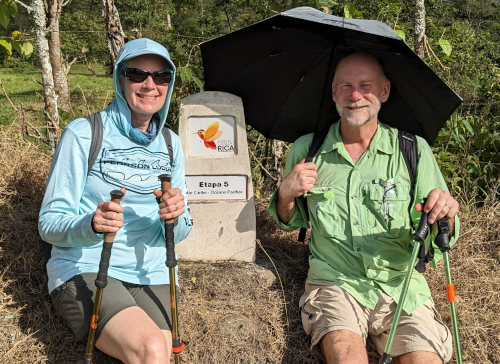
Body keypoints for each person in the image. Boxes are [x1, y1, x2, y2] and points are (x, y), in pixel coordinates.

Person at [268, 52, 460, 364]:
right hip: (335, 282)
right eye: (345, 86)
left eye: (365, 86)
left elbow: (445, 232)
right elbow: (288, 221)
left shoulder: (413, 150)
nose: (355, 96)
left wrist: (446, 210)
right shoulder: (308, 149)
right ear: (333, 93)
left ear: (384, 91)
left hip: (402, 286)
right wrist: (286, 193)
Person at [39, 38, 193, 363]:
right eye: (137, 73)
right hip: (86, 264)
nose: (150, 84)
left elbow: (179, 232)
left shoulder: (170, 144)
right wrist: (92, 224)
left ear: (170, 82)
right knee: (150, 348)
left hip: (151, 269)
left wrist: (175, 218)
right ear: (120, 78)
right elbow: (49, 224)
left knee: (161, 353)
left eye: (161, 76)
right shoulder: (84, 134)